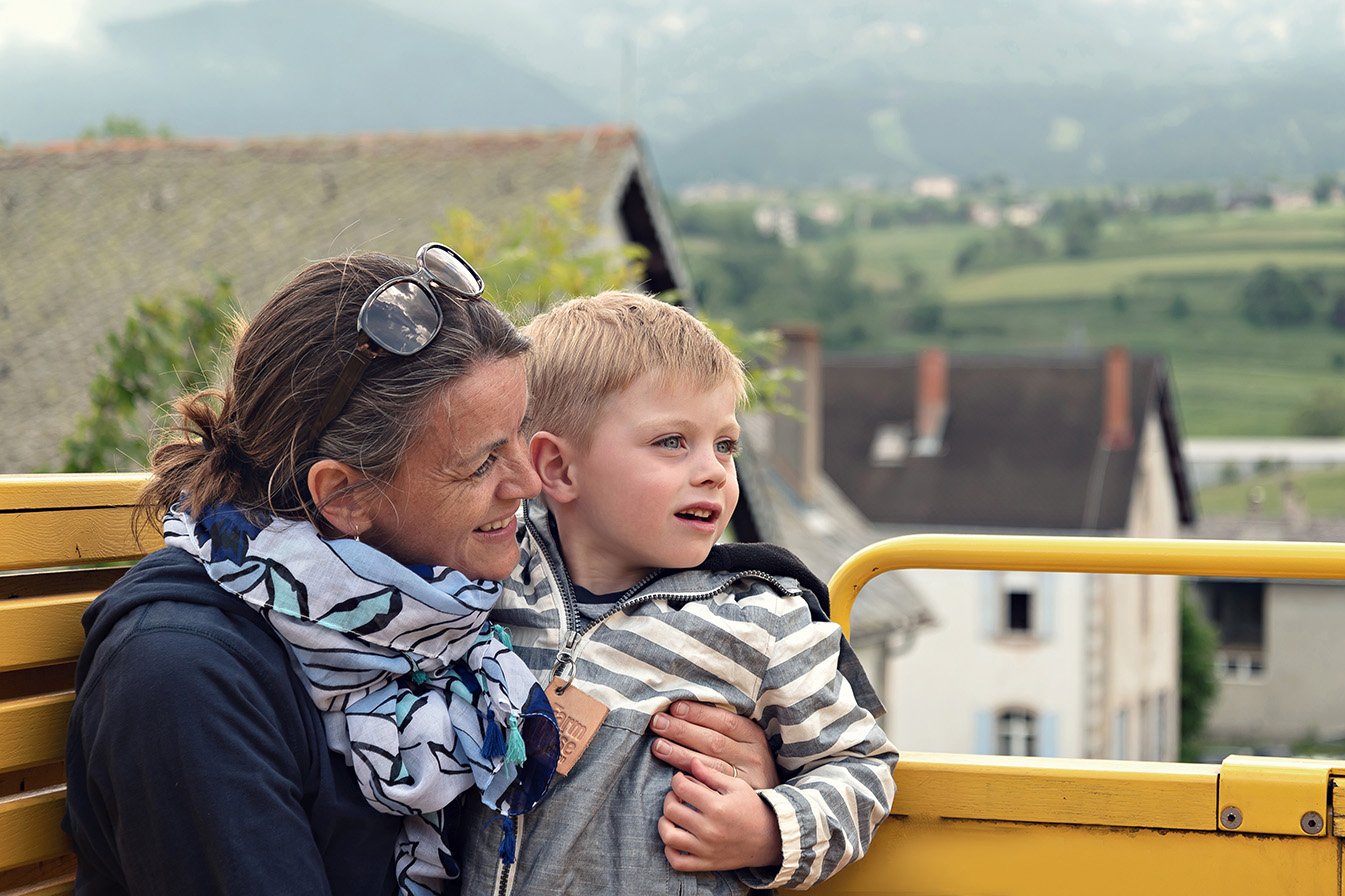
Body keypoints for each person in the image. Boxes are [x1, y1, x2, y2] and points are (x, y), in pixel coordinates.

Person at [62, 244, 784, 896]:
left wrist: (711, 773)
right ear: (344, 496)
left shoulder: (434, 608)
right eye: (480, 464)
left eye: (519, 440)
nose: (527, 486)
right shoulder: (183, 680)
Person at [451, 292, 898, 894]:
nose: (714, 470)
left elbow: (859, 769)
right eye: (671, 442)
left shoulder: (762, 621)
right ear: (557, 469)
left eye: (725, 444)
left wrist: (770, 829)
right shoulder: (483, 584)